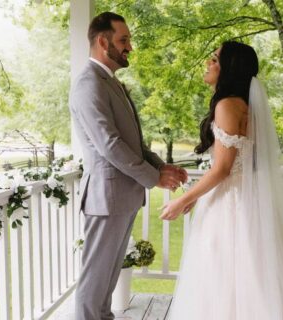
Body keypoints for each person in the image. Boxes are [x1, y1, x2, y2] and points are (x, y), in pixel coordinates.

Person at [160, 41, 283, 319]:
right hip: (247, 198)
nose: (208, 64)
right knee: (253, 270)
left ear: (229, 68)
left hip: (230, 201)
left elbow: (222, 168)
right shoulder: (243, 104)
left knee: (224, 270)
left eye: (214, 59)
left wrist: (183, 200)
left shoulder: (226, 105)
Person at [69, 12, 187, 320]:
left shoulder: (112, 83)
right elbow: (109, 145)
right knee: (95, 281)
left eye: (129, 40)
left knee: (107, 281)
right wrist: (153, 177)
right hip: (106, 197)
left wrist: (163, 167)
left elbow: (134, 142)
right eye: (124, 40)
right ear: (102, 41)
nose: (129, 47)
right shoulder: (88, 84)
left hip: (122, 196)